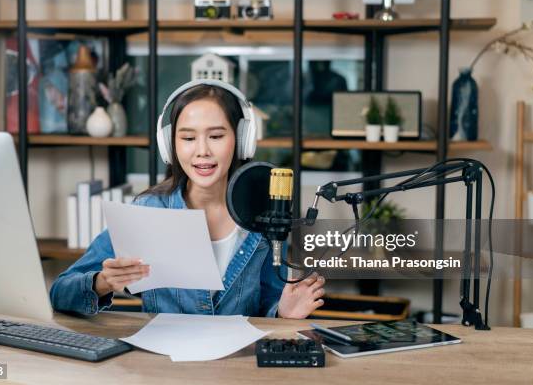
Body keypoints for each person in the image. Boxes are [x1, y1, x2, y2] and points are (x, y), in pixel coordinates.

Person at [50, 80, 326, 318]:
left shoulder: (263, 213)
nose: (202, 151)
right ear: (170, 146)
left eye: (216, 136)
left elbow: (269, 301)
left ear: (242, 140)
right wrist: (102, 282)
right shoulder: (147, 212)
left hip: (238, 369)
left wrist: (282, 312)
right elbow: (60, 293)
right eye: (188, 138)